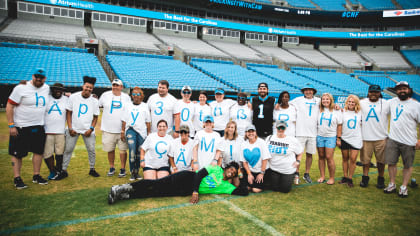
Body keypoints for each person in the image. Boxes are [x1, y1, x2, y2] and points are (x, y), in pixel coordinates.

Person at [108, 162, 248, 205]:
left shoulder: (227, 186)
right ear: (227, 167)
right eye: (231, 169)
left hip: (184, 191)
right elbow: (198, 175)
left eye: (234, 173)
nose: (231, 173)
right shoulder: (216, 169)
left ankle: (123, 196)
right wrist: (195, 191)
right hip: (186, 178)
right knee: (156, 183)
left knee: (154, 193)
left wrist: (242, 174)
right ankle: (122, 187)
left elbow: (244, 191)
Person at [7, 68, 50, 188]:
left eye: (41, 78)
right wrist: (11, 125)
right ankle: (17, 178)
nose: (38, 79)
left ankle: (36, 175)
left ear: (45, 79)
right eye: (36, 77)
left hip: (38, 126)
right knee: (17, 153)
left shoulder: (46, 88)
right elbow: (9, 105)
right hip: (21, 126)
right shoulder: (21, 88)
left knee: (38, 152)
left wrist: (67, 94)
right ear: (32, 76)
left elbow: (56, 93)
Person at [57, 76, 100, 180]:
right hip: (74, 129)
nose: (88, 89)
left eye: (90, 88)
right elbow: (69, 113)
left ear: (92, 89)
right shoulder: (74, 97)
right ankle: (64, 170)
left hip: (87, 130)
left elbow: (95, 117)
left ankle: (92, 169)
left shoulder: (94, 101)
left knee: (91, 150)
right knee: (68, 149)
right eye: (87, 87)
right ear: (83, 86)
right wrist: (70, 128)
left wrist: (91, 129)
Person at [384, 81, 420, 197]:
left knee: (407, 165)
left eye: (404, 88)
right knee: (391, 163)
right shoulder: (392, 102)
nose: (402, 91)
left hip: (409, 141)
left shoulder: (416, 105)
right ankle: (392, 184)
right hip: (393, 139)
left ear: (409, 90)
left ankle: (404, 187)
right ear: (396, 91)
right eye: (399, 89)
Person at [99, 79, 131, 177]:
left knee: (122, 150)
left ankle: (123, 168)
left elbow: (129, 112)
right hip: (108, 129)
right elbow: (98, 105)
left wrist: (124, 128)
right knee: (110, 149)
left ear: (121, 87)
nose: (115, 87)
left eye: (117, 85)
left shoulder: (126, 97)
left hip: (122, 129)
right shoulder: (105, 95)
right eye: (113, 85)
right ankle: (112, 167)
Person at [359, 85, 389, 188]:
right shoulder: (362, 102)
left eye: (376, 92)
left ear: (380, 93)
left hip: (381, 138)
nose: (373, 94)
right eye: (371, 92)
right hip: (366, 137)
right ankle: (365, 178)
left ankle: (381, 179)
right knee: (365, 161)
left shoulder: (386, 104)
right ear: (368, 92)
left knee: (381, 161)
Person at [289, 83, 320, 184]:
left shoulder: (318, 100)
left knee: (309, 154)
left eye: (310, 90)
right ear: (303, 91)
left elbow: (329, 104)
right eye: (306, 90)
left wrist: (336, 106)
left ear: (313, 91)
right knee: (298, 154)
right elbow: (286, 104)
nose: (308, 92)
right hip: (300, 132)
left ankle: (306, 174)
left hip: (313, 133)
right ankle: (296, 173)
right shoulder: (297, 100)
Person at [121, 87, 151, 181]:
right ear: (131, 96)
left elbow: (148, 121)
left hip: (141, 131)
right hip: (131, 130)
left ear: (141, 96)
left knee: (139, 152)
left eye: (138, 94)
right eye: (134, 94)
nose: (136, 96)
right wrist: (122, 131)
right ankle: (132, 172)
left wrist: (148, 133)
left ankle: (137, 171)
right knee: (132, 150)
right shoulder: (127, 105)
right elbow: (124, 120)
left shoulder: (145, 106)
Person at [265, 120, 303, 193]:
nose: (280, 130)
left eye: (282, 128)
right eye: (279, 127)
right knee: (274, 188)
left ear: (285, 128)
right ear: (276, 127)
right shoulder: (269, 138)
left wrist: (298, 161)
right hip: (273, 169)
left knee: (285, 190)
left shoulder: (292, 140)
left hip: (287, 170)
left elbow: (300, 151)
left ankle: (291, 177)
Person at [43, 83, 68, 180]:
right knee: (47, 153)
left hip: (60, 131)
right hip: (47, 131)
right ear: (52, 90)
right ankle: (52, 171)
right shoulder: (46, 98)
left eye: (60, 90)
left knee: (59, 153)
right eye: (56, 89)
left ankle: (59, 170)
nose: (58, 91)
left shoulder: (66, 99)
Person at [316, 93, 342, 185]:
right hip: (319, 136)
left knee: (329, 157)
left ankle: (331, 178)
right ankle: (322, 176)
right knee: (321, 157)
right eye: (323, 99)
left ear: (331, 100)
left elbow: (339, 125)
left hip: (331, 137)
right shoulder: (318, 110)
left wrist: (338, 138)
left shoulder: (336, 111)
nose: (325, 101)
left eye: (327, 99)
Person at [339, 95, 362, 187]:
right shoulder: (342, 112)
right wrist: (339, 138)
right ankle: (345, 176)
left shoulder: (360, 112)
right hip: (345, 138)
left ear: (356, 103)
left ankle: (350, 178)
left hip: (356, 139)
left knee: (353, 159)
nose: (351, 103)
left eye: (353, 102)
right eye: (349, 102)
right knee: (345, 158)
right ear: (347, 103)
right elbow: (339, 125)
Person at [241, 124, 271, 193]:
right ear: (246, 133)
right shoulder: (243, 144)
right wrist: (249, 174)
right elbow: (244, 162)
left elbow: (265, 159)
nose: (251, 133)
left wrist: (262, 173)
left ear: (255, 132)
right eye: (248, 132)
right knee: (247, 188)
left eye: (252, 131)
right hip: (250, 171)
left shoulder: (261, 142)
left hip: (261, 171)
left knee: (255, 190)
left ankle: (266, 182)